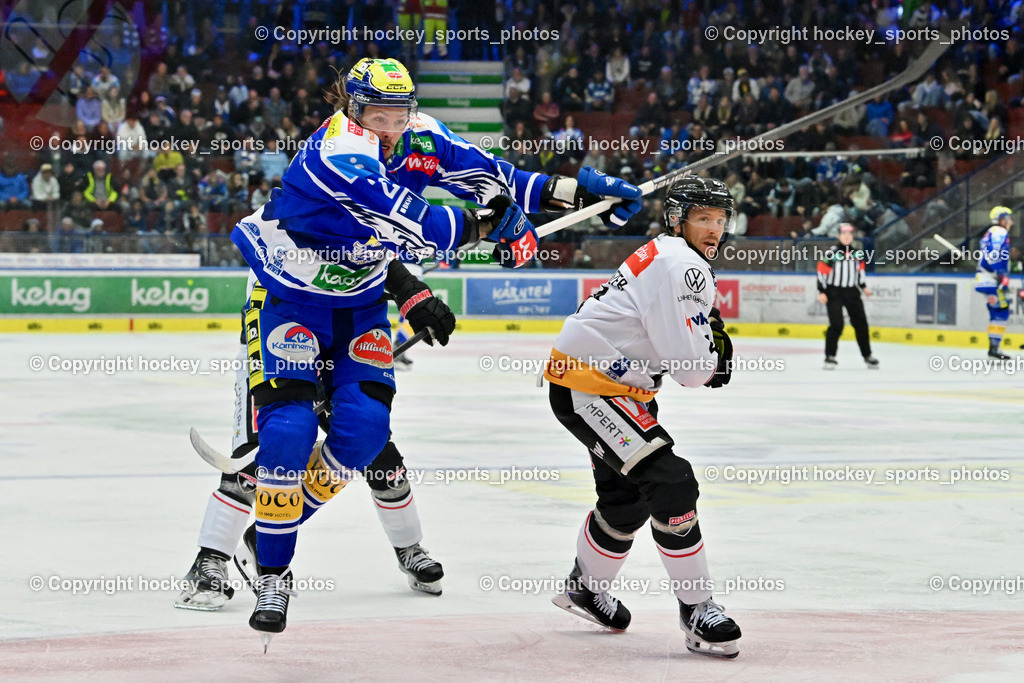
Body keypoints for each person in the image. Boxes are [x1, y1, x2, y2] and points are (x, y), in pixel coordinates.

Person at [228, 57, 641, 646]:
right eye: (377, 114)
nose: (391, 126)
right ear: (353, 109)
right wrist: (489, 227)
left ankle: (276, 522)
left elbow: (494, 176)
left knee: (366, 431)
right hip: (291, 300)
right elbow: (415, 221)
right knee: (288, 434)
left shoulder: (423, 136)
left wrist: (576, 191)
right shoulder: (339, 151)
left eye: (400, 112)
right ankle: (274, 574)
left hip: (362, 303)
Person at [174, 261, 456, 611]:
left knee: (380, 458)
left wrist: (412, 293)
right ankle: (210, 561)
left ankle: (409, 548)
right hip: (280, 346)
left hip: (338, 350)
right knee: (256, 460)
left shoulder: (356, 227)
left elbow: (379, 263)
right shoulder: (285, 232)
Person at [544, 176, 741, 659]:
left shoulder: (669, 254)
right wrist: (713, 357)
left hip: (607, 383)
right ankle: (696, 608)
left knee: (626, 502)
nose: (714, 230)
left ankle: (585, 590)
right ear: (678, 220)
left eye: (720, 220)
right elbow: (694, 373)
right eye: (703, 218)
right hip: (593, 387)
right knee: (671, 481)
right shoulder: (684, 265)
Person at [816, 223, 879, 368]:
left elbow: (860, 272)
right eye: (843, 234)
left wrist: (864, 287)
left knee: (861, 324)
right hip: (834, 291)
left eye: (849, 234)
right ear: (839, 235)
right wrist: (822, 291)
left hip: (852, 291)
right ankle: (830, 356)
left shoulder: (857, 254)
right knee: (837, 324)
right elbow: (821, 271)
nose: (846, 237)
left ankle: (867, 355)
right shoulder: (831, 253)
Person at [975, 207, 1016, 360]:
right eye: (1009, 218)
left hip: (985, 279)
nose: (1011, 222)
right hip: (992, 280)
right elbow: (995, 253)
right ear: (1002, 219)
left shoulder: (990, 233)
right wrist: (1000, 273)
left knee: (996, 311)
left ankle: (993, 348)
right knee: (1002, 311)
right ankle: (994, 348)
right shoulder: (999, 231)